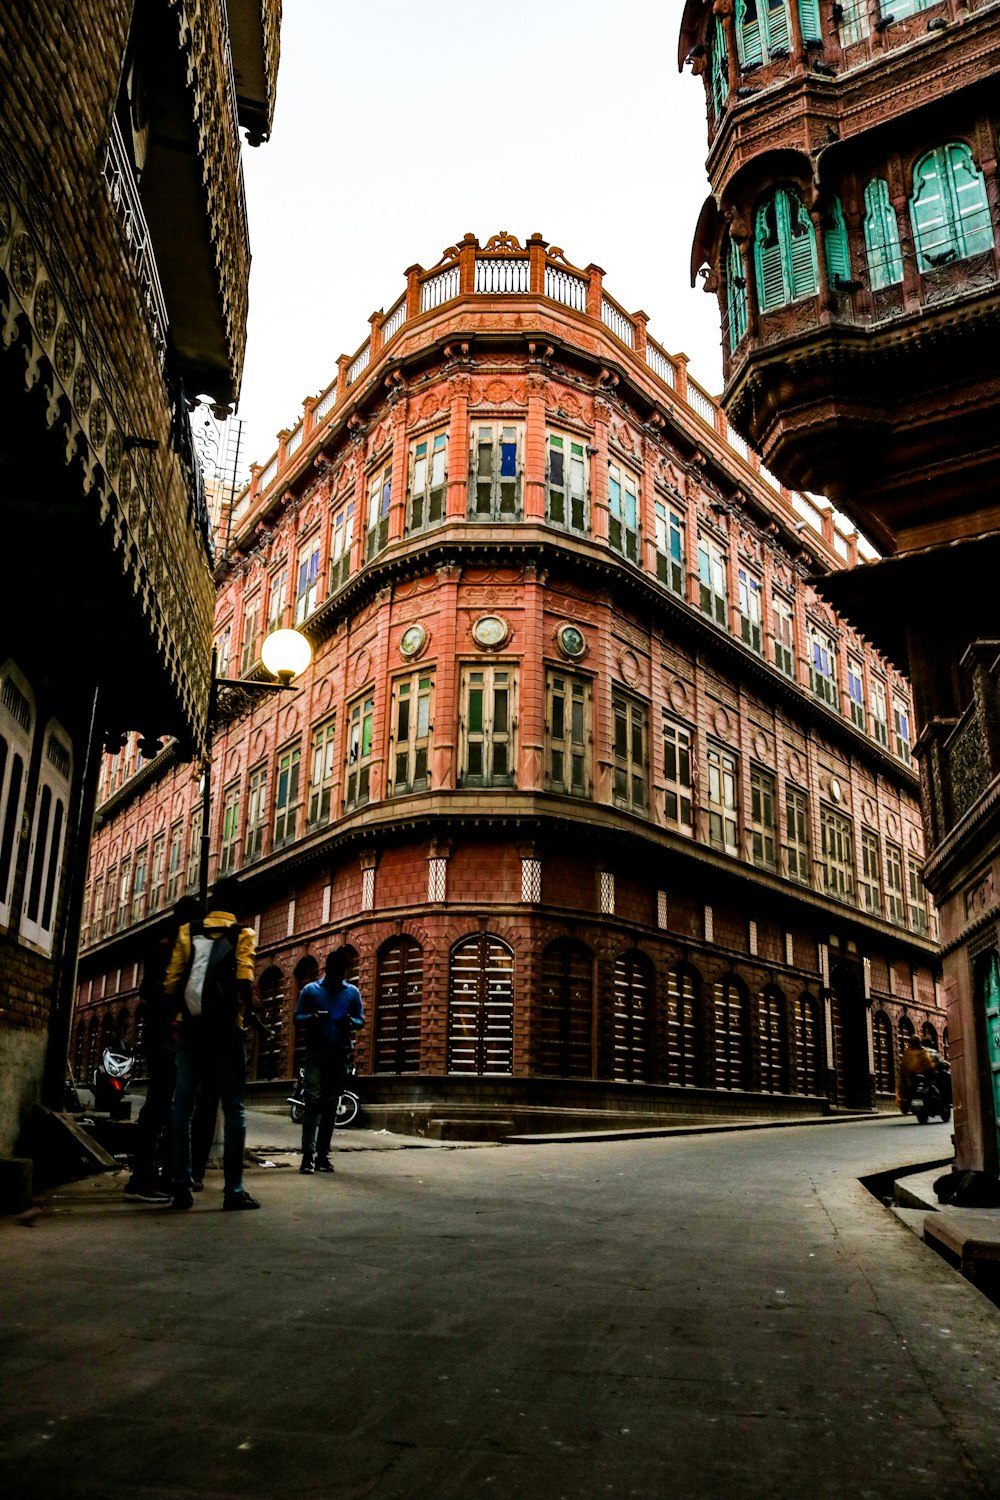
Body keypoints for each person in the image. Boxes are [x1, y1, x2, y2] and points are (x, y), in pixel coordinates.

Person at [164, 876, 260, 1211]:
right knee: (234, 1108)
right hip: (227, 1030)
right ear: (237, 904)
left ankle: (181, 1187)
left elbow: (172, 982)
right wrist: (254, 1015)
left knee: (182, 1107)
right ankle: (233, 1191)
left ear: (212, 901)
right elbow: (244, 980)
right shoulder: (243, 933)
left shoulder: (187, 932)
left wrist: (180, 1018)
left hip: (191, 1029)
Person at [124, 895, 202, 1202]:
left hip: (171, 1037)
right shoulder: (166, 949)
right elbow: (151, 990)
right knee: (159, 1108)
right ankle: (143, 1179)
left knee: (169, 1109)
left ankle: (164, 1175)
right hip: (165, 1036)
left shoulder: (175, 949)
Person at [294, 949, 364, 1174]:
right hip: (316, 1054)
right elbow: (297, 1018)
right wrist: (313, 1017)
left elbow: (360, 1020)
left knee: (331, 1106)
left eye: (341, 973)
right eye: (335, 973)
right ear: (327, 970)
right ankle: (307, 1156)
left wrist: (349, 1022)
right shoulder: (311, 990)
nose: (338, 977)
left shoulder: (352, 992)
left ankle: (322, 1156)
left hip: (339, 1055)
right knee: (313, 1102)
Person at [896, 1034, 937, 1114]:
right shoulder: (915, 1052)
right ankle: (906, 1105)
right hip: (913, 1077)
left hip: (920, 1077)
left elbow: (928, 1063)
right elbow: (904, 1066)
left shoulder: (918, 1051)